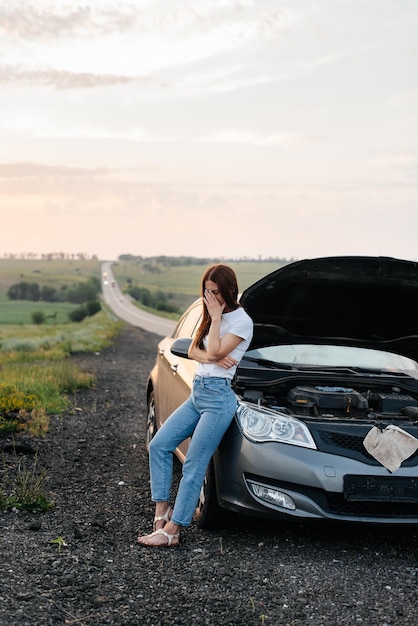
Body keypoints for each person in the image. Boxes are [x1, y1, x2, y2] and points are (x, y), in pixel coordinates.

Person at [138, 264, 254, 547]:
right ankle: (161, 512)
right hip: (198, 394)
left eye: (214, 292)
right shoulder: (207, 313)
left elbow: (212, 350)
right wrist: (213, 355)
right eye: (206, 292)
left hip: (218, 401)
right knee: (159, 445)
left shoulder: (241, 321)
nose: (209, 298)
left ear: (229, 290)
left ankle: (172, 531)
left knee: (194, 463)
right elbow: (192, 351)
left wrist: (215, 323)